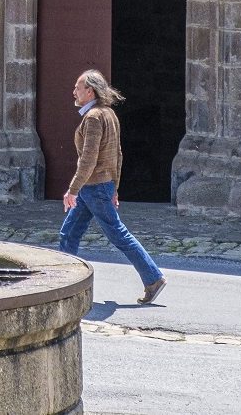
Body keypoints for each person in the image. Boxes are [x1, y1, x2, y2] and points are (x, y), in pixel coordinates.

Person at [59, 69, 167, 305]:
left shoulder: (95, 118)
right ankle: (62, 286)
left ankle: (153, 278)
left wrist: (73, 189)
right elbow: (117, 155)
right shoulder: (108, 114)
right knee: (69, 234)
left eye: (78, 88)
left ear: (90, 91)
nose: (74, 92)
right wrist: (115, 187)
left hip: (93, 188)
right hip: (98, 187)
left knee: (118, 235)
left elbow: (89, 159)